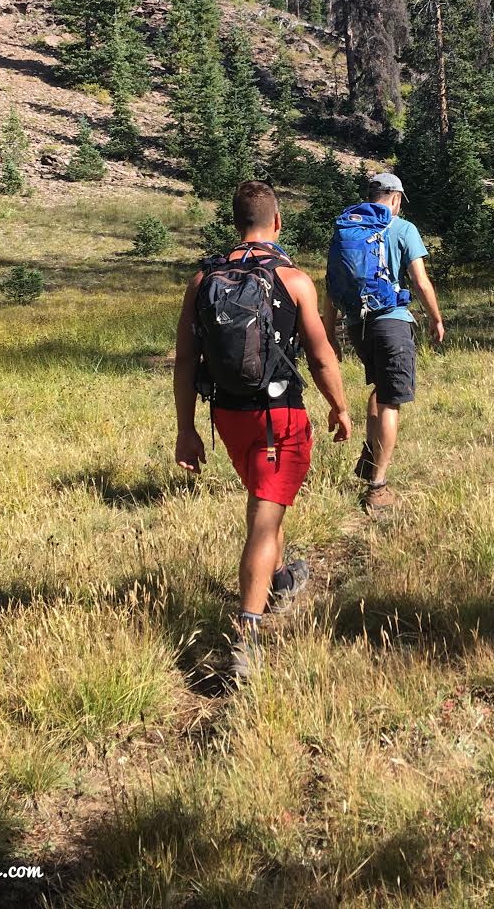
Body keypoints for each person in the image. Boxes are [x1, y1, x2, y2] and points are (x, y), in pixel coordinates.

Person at [173, 180, 353, 680]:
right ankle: (247, 636)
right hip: (279, 418)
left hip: (227, 417)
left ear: (236, 223)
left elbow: (187, 359)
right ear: (277, 223)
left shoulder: (203, 278)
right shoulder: (293, 280)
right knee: (263, 519)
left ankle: (276, 576)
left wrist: (186, 430)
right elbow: (320, 355)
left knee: (263, 500)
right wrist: (340, 407)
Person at [322, 171, 444, 513]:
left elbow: (330, 283)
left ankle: (370, 454)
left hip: (358, 326)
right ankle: (378, 487)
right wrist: (435, 317)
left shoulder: (349, 229)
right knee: (391, 400)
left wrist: (330, 332)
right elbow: (420, 281)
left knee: (380, 387)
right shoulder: (403, 228)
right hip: (391, 322)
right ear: (396, 198)